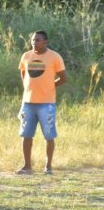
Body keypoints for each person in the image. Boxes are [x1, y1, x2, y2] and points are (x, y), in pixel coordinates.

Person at [16, 31, 68, 175]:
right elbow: (23, 73)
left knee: (49, 136)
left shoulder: (54, 57)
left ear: (45, 42)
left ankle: (48, 167)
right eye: (33, 40)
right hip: (28, 102)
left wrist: (51, 86)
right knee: (26, 135)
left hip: (47, 104)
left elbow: (64, 78)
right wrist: (28, 87)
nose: (34, 43)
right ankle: (27, 167)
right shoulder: (26, 56)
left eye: (38, 40)